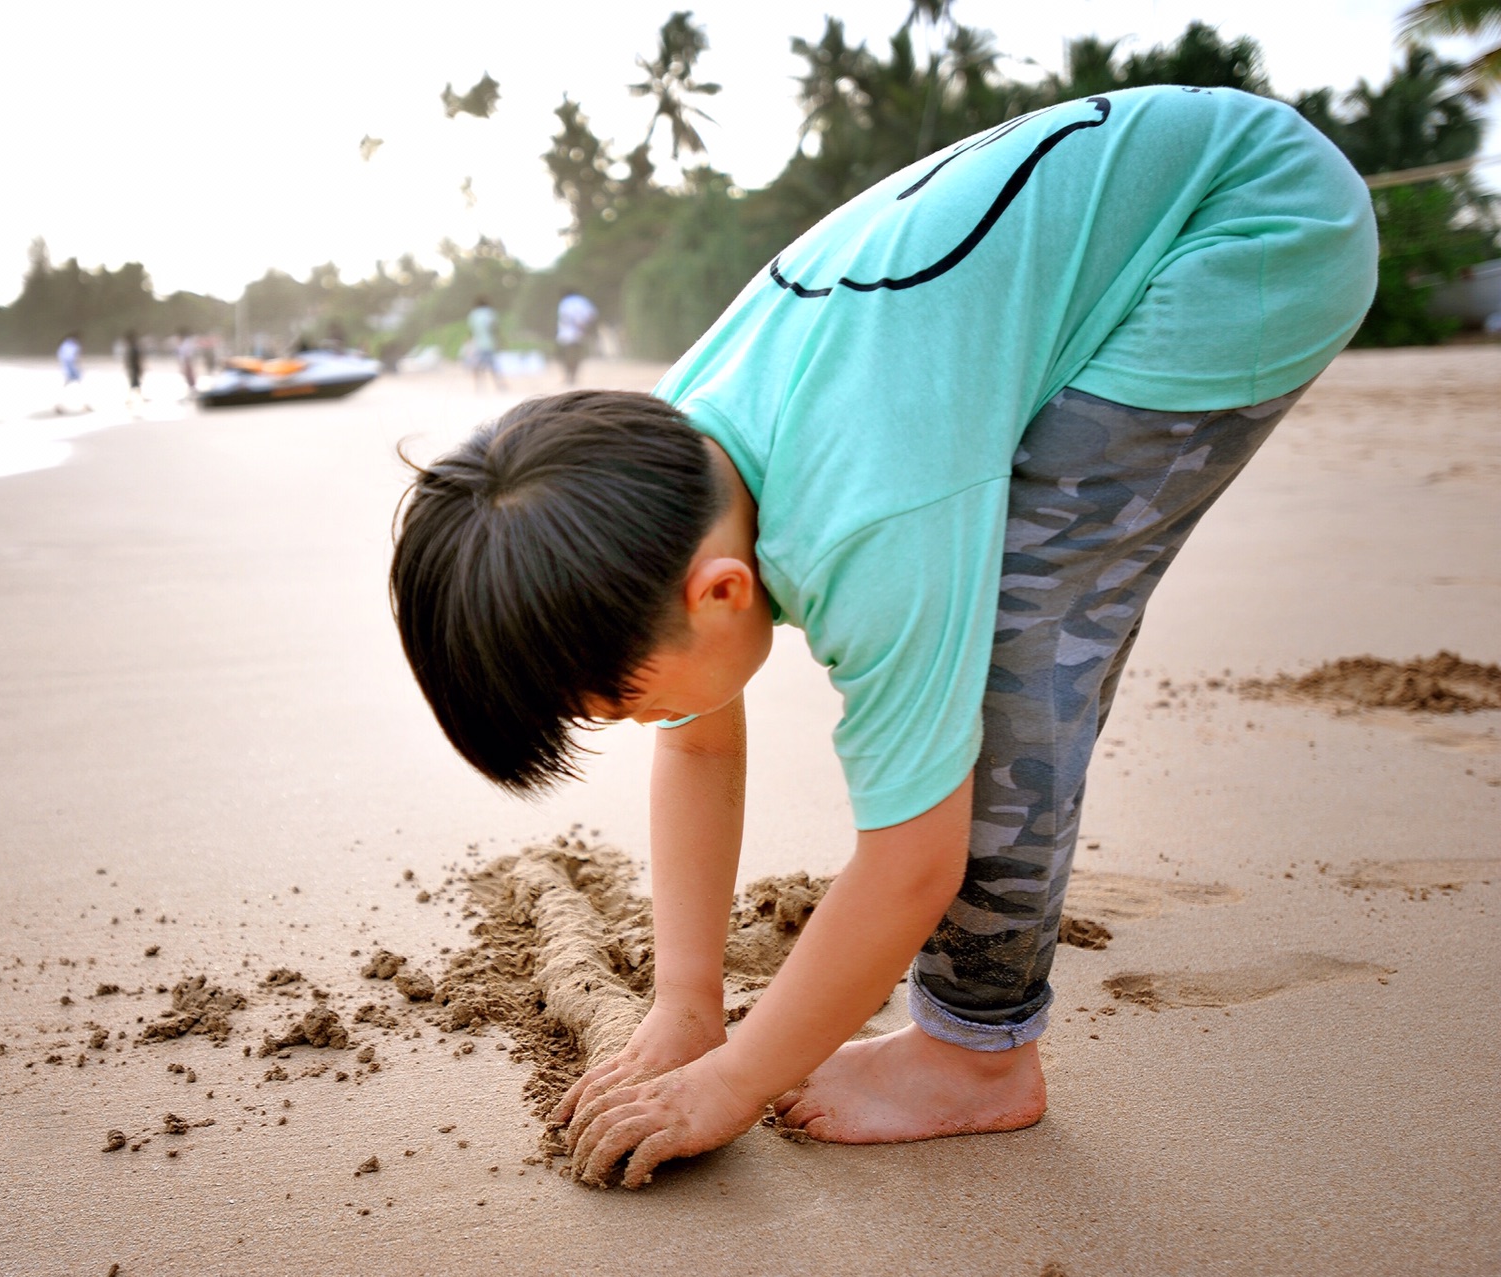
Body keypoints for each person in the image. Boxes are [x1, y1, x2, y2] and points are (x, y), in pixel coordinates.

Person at [388, 87, 1376, 1189]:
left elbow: (913, 862)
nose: (631, 723)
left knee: (1015, 652)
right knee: (976, 596)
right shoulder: (655, 473)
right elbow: (700, 740)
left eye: (613, 701)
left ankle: (975, 1057)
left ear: (720, 592)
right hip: (1156, 206)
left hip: (1251, 236)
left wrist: (732, 1081)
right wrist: (685, 1005)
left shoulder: (868, 524)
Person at [555, 288, 598, 385]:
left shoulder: (565, 302)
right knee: (576, 356)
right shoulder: (584, 301)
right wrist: (585, 324)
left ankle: (568, 375)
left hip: (566, 333)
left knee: (566, 356)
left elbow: (565, 316)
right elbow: (592, 314)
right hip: (580, 332)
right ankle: (573, 376)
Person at [466, 295, 507, 392]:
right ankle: (499, 386)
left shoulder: (473, 314)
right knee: (493, 366)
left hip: (478, 344)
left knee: (478, 366)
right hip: (489, 344)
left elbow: (471, 331)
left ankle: (479, 387)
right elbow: (494, 328)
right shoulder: (490, 313)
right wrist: (499, 341)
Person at [55, 331, 83, 412]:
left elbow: (61, 356)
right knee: (77, 385)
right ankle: (82, 404)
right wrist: (76, 369)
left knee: (66, 386)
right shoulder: (73, 345)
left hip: (65, 368)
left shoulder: (65, 344)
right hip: (71, 368)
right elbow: (72, 358)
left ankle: (59, 404)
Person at [119, 329, 144, 404]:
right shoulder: (133, 348)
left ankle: (132, 398)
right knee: (135, 384)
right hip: (134, 368)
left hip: (134, 368)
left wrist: (140, 368)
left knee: (134, 384)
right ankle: (138, 397)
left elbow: (137, 359)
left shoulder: (133, 348)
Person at [176, 329, 200, 395]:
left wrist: (186, 362)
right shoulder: (184, 342)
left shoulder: (187, 342)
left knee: (189, 375)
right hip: (186, 360)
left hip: (187, 360)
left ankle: (192, 388)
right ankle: (191, 388)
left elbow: (187, 353)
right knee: (187, 375)